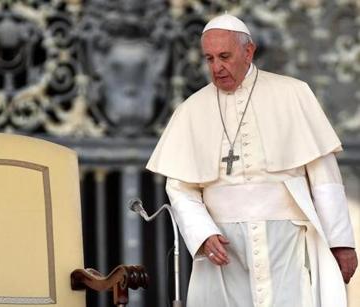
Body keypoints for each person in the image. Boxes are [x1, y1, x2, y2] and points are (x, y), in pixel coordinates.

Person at [146, 13, 358, 307]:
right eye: (209, 58)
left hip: (286, 240)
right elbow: (181, 188)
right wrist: (203, 234)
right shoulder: (191, 109)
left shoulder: (292, 93)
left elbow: (325, 178)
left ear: (248, 51)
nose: (217, 68)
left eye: (224, 56)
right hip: (223, 244)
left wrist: (342, 243)